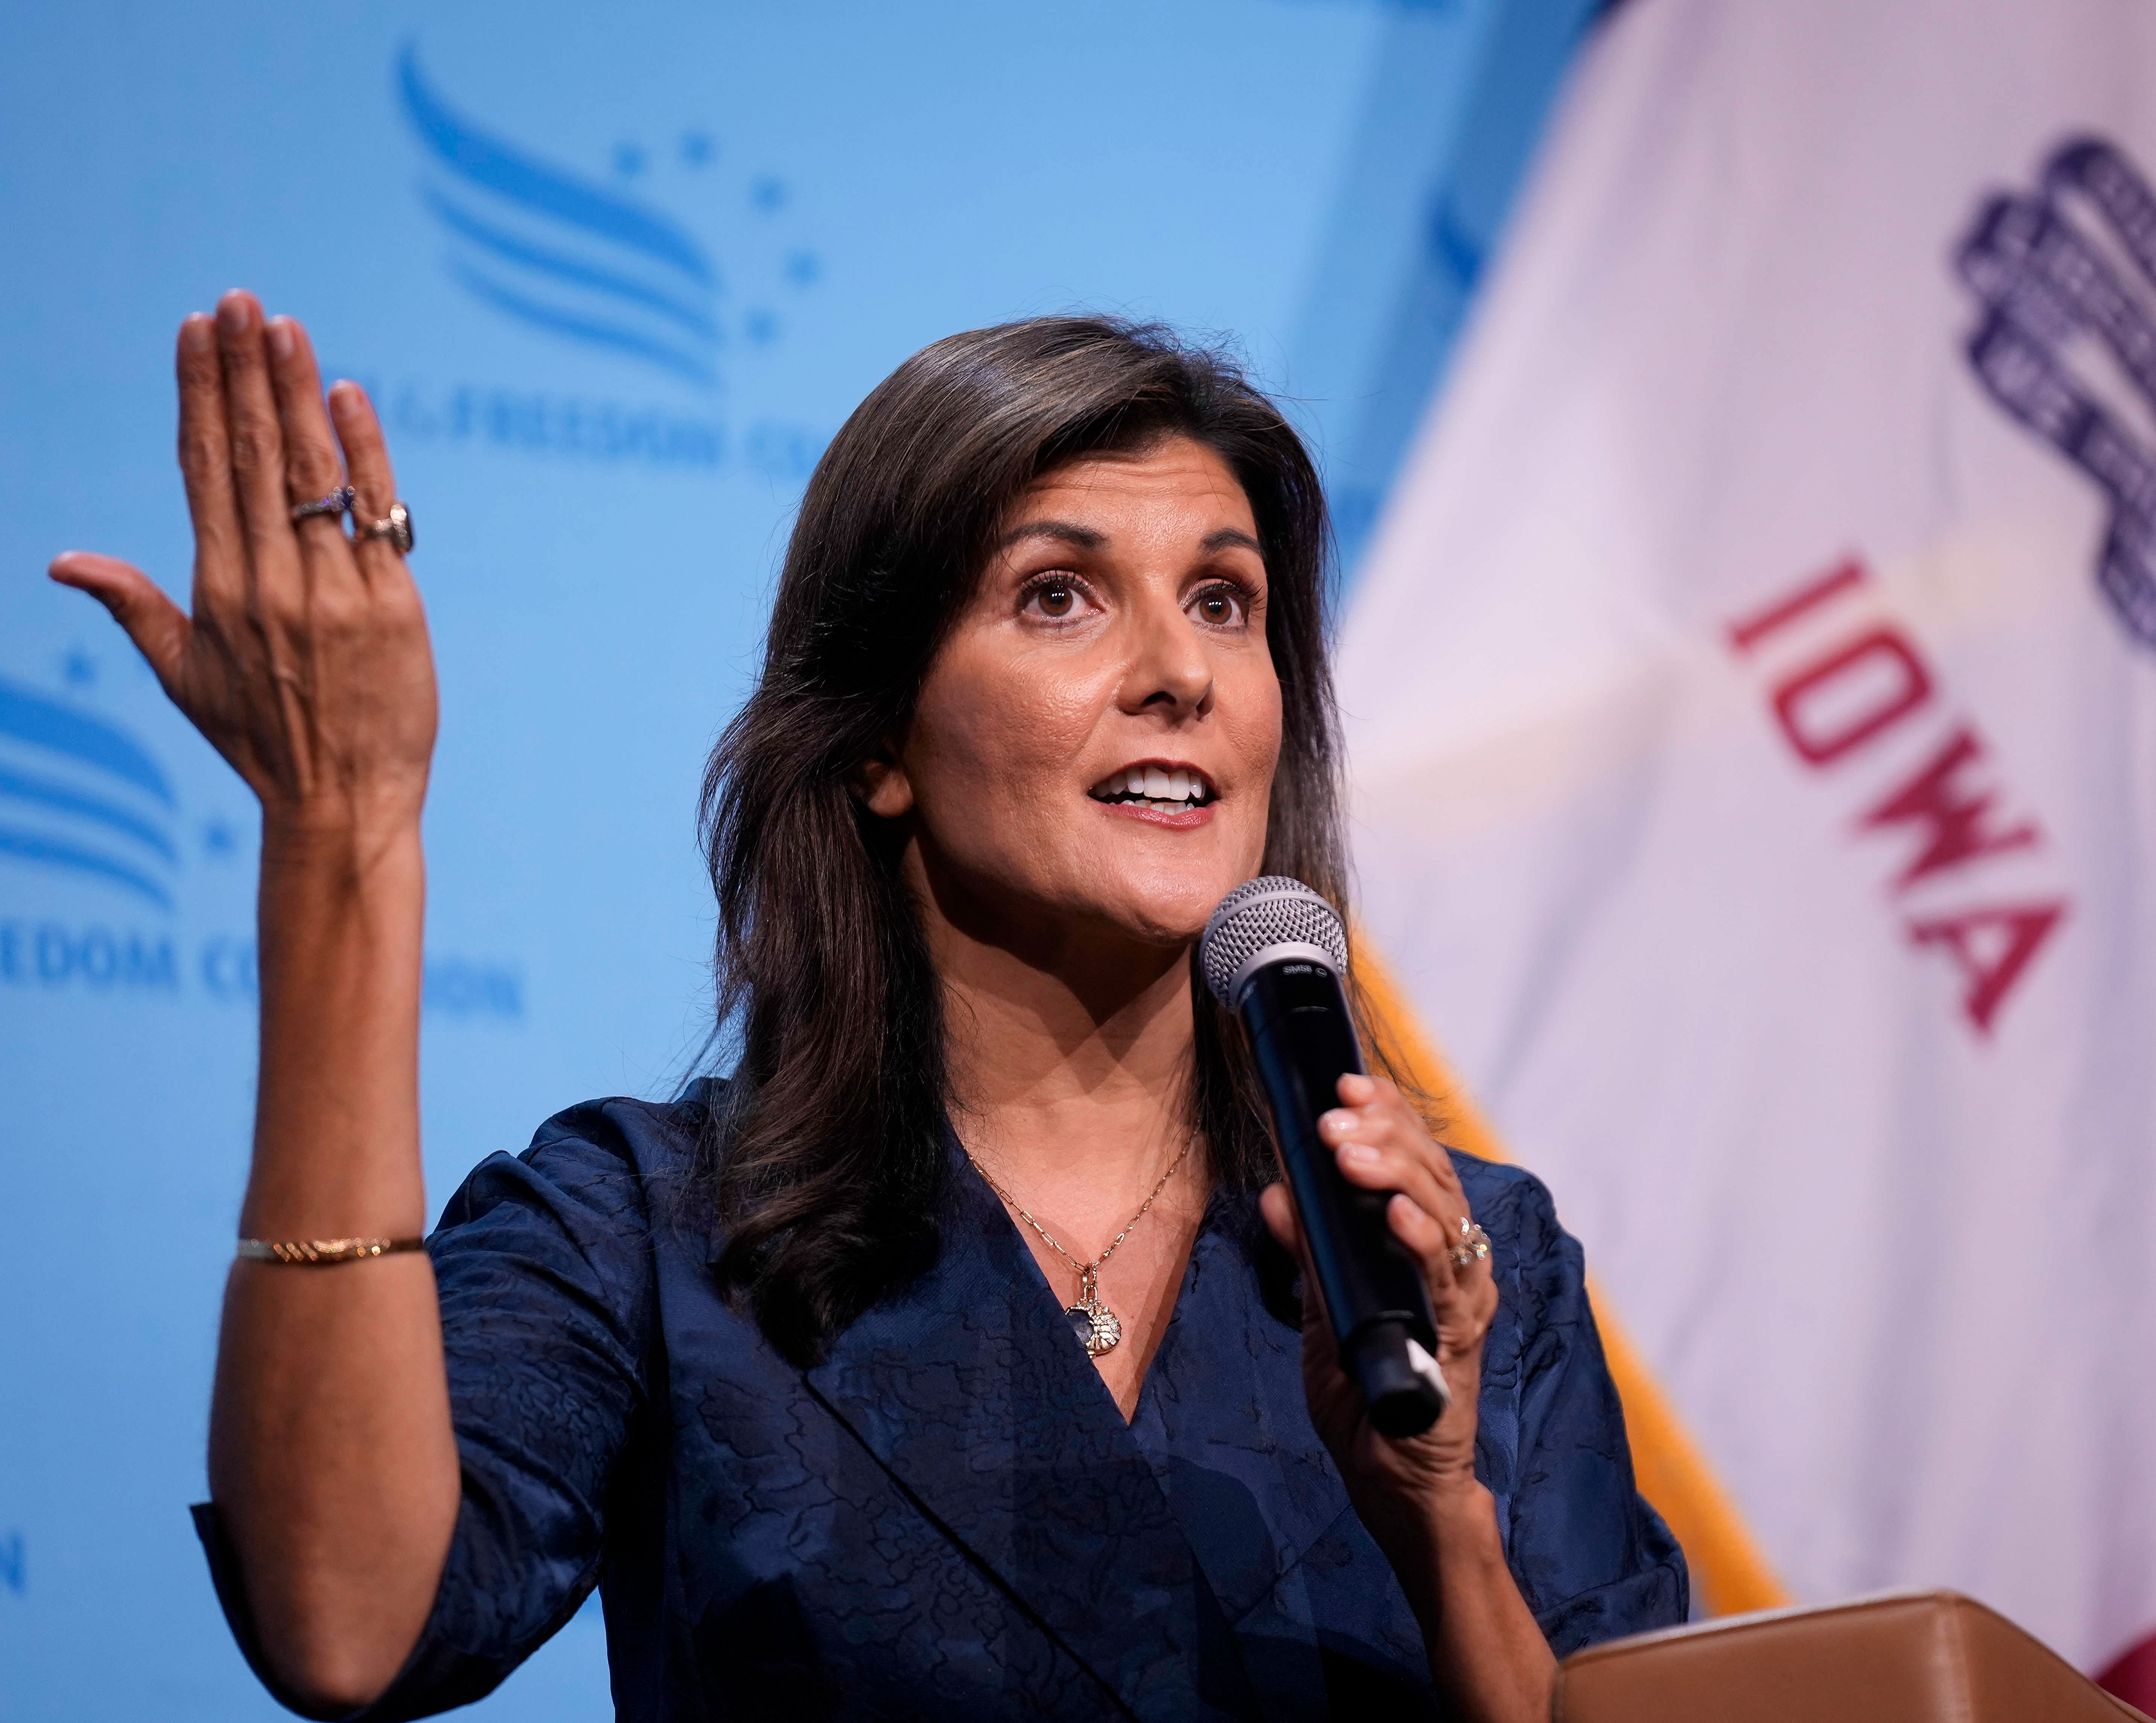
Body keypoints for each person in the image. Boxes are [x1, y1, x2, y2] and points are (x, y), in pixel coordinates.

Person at [49, 292, 1685, 1722]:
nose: (1178, 670)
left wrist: (1441, 1514)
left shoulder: (1470, 1271)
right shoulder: (654, 1230)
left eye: (1225, 599)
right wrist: (341, 840)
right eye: (1060, 595)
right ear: (876, 745)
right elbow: (345, 1619)